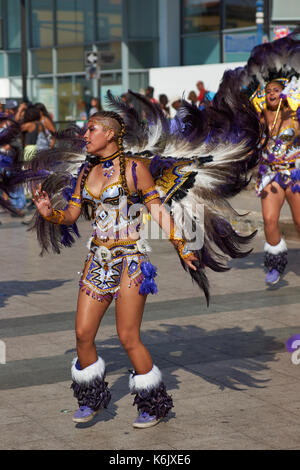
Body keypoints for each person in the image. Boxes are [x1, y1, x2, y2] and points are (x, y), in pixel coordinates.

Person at [6, 80, 261, 428]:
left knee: (128, 337)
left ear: (110, 134)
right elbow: (71, 217)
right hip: (96, 261)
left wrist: (182, 245)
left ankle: (153, 404)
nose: (85, 135)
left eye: (91, 130)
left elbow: (158, 211)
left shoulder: (134, 169)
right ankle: (92, 398)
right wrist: (48, 210)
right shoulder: (85, 171)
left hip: (131, 261)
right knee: (83, 334)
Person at [243, 30, 300, 285]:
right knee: (269, 220)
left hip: (296, 172)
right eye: (268, 92)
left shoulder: (296, 115)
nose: (272, 94)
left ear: (285, 91)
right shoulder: (260, 117)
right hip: (271, 174)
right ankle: (276, 262)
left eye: (276, 90)